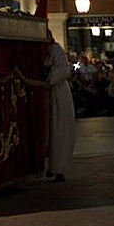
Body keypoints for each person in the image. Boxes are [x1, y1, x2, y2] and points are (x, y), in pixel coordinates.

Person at [45, 30, 75, 182]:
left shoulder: (56, 49)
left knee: (59, 129)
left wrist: (47, 79)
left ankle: (58, 167)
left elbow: (63, 70)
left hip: (56, 93)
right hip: (45, 94)